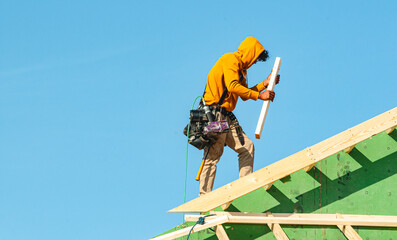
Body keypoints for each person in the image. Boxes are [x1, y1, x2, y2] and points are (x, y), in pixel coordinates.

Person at [199, 36, 280, 196]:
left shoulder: (242, 70)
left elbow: (243, 93)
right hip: (214, 115)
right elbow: (233, 86)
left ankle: (244, 191)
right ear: (250, 53)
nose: (255, 62)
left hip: (225, 116)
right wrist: (260, 96)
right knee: (213, 154)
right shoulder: (231, 59)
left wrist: (266, 83)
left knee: (247, 148)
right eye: (256, 58)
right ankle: (204, 198)